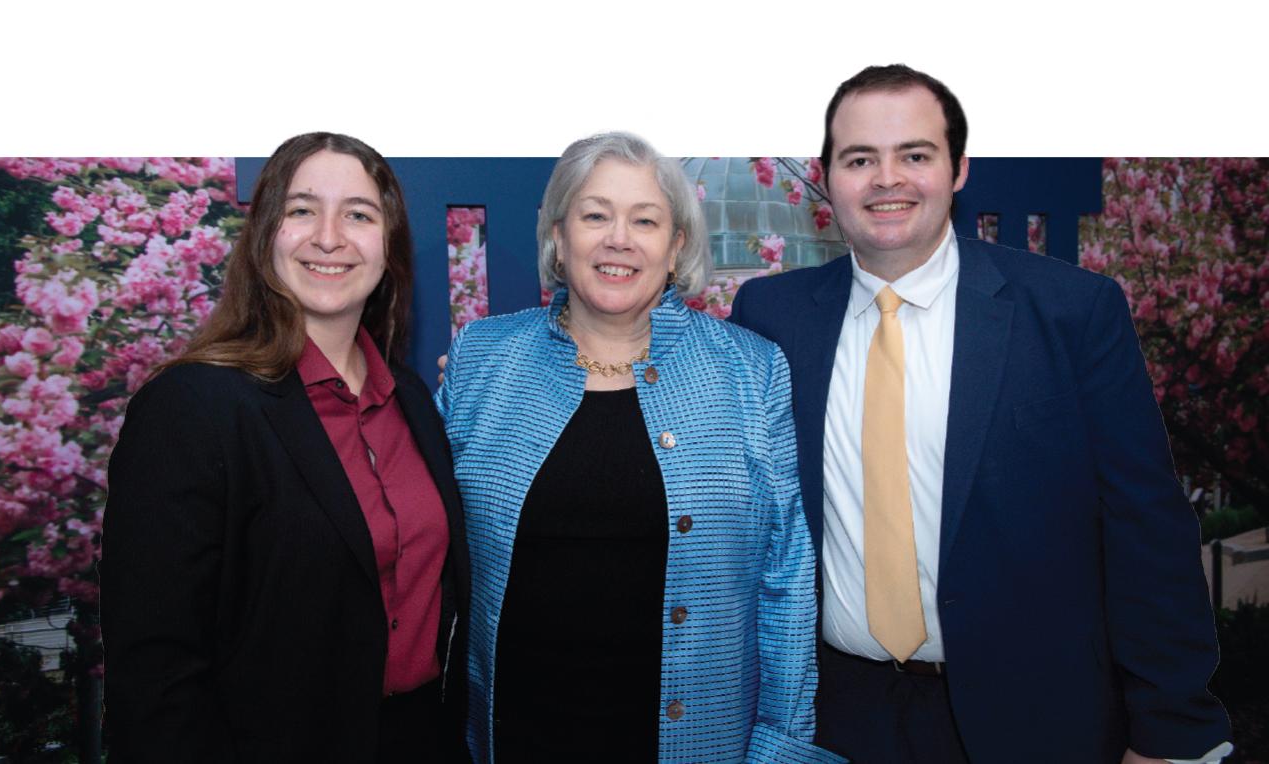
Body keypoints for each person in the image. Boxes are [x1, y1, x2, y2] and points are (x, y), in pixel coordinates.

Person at [729, 65, 1231, 764]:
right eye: (859, 159)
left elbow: (1145, 525)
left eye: (915, 154)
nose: (886, 179)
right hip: (836, 722)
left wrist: (1168, 730)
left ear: (959, 168)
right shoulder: (770, 315)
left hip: (1037, 718)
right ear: (827, 176)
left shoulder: (1072, 311)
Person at [435, 132, 837, 764]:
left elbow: (785, 579)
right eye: (595, 215)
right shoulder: (482, 359)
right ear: (559, 238)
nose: (618, 238)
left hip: (699, 744)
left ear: (676, 246)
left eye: (644, 220)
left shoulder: (750, 371)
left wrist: (781, 747)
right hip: (517, 736)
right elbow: (426, 544)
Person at [100, 132, 470, 763]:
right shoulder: (190, 410)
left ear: (389, 247)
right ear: (266, 234)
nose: (330, 236)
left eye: (358, 214)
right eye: (302, 210)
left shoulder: (412, 399)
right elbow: (155, 677)